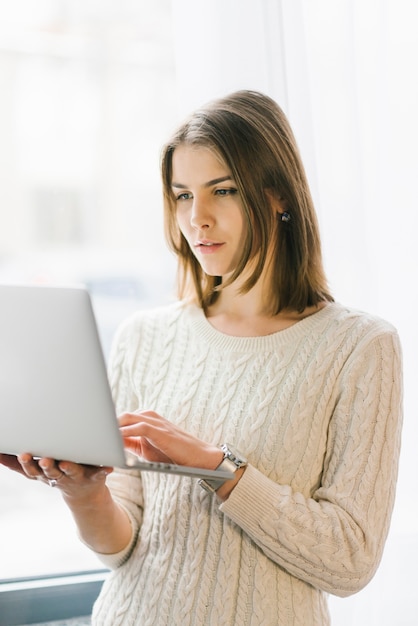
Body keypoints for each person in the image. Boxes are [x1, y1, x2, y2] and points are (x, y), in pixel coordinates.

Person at [0, 90, 403, 626]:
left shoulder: (359, 347)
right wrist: (84, 492)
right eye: (182, 194)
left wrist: (217, 468)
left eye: (224, 190)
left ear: (280, 195)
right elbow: (120, 549)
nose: (198, 218)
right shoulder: (144, 336)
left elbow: (350, 560)